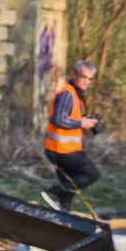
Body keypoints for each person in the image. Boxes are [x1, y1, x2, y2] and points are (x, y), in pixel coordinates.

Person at [41, 60, 101, 211]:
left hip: (59, 149)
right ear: (74, 74)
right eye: (83, 77)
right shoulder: (68, 93)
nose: (86, 81)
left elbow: (69, 119)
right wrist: (82, 123)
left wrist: (85, 120)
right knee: (92, 174)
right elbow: (58, 119)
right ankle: (54, 192)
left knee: (69, 190)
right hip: (63, 150)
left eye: (90, 78)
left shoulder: (76, 95)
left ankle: (64, 218)